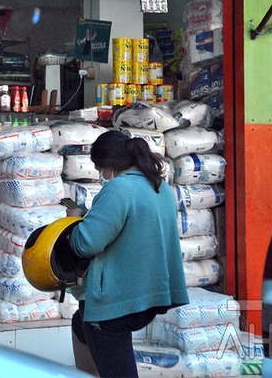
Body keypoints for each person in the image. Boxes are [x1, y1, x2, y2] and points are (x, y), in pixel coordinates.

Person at [66, 130, 189, 377]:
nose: (101, 175)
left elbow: (86, 244)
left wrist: (76, 222)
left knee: (117, 368)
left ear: (107, 165)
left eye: (99, 168)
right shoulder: (159, 186)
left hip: (118, 299)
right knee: (81, 324)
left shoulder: (119, 188)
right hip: (150, 294)